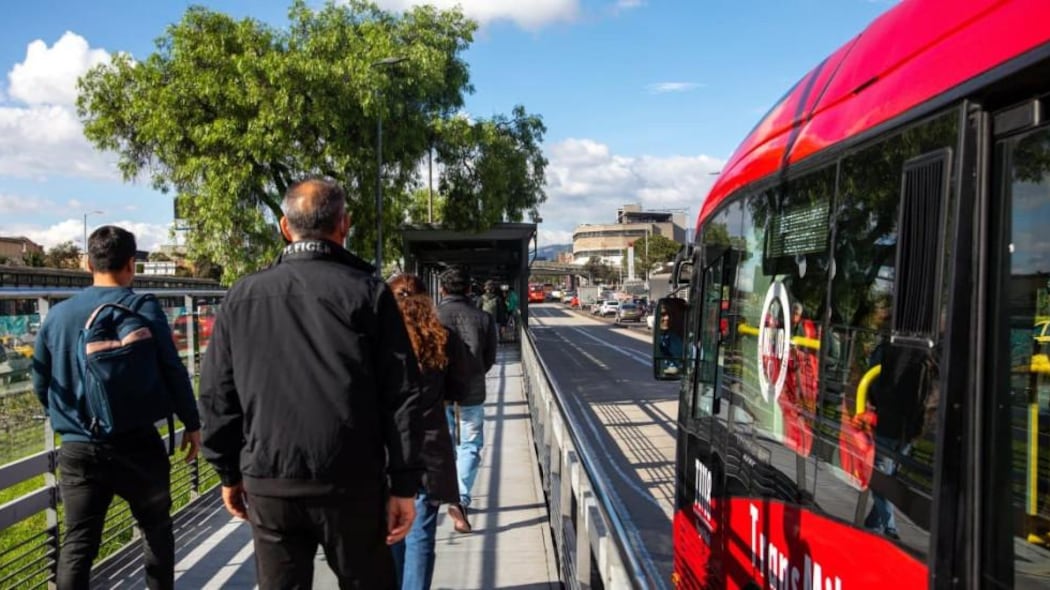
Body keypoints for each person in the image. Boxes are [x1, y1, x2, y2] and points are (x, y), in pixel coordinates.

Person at [198, 178, 423, 589]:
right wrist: (405, 484)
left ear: (285, 227)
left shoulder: (242, 295)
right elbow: (403, 395)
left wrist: (228, 472)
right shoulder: (369, 293)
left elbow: (216, 394)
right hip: (353, 480)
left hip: (270, 479)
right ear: (344, 224)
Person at [31, 225, 201, 590]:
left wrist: (69, 419)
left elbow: (41, 383)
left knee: (78, 544)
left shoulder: (57, 316)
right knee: (156, 531)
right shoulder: (142, 306)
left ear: (89, 264)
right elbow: (173, 368)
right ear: (131, 265)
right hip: (137, 444)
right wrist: (192, 423)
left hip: (78, 448)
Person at [387, 273, 468, 590]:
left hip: (387, 449)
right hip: (429, 447)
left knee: (391, 531)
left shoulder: (377, 340)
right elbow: (459, 387)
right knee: (421, 534)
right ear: (428, 298)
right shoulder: (443, 336)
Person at [437, 267, 497, 534]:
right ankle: (460, 498)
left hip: (439, 393)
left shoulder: (434, 316)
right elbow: (490, 358)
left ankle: (447, 492)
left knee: (444, 443)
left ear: (442, 290)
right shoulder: (483, 318)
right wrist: (473, 373)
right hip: (472, 391)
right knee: (470, 444)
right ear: (470, 290)